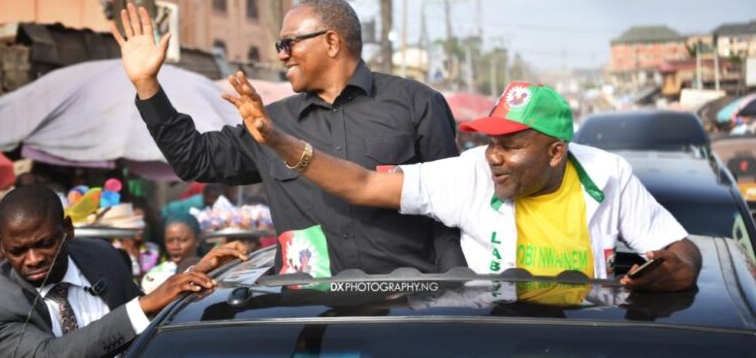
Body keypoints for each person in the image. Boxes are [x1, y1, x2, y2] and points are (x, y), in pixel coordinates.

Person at [223, 77, 702, 292]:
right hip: (489, 339)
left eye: (511, 146)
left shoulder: (608, 175)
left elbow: (681, 252)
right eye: (491, 142)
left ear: (557, 152)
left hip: (584, 340)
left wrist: (673, 273)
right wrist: (278, 141)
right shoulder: (469, 171)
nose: (494, 157)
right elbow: (364, 186)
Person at [113, 0, 466, 276]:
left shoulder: (417, 104)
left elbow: (449, 210)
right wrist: (147, 86)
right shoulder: (271, 123)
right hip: (306, 314)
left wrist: (455, 298)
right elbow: (194, 159)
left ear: (331, 42)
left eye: (289, 43)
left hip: (405, 306)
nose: (281, 55)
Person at [0, 184, 248, 358]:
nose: (32, 259)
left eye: (45, 244)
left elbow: (144, 323)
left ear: (67, 230)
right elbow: (51, 354)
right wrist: (143, 304)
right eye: (17, 251)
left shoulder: (102, 256)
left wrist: (191, 275)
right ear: (1, 246)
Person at [141, 214, 203, 293]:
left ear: (197, 240)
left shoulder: (211, 268)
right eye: (170, 241)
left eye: (183, 240)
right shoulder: (154, 276)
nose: (175, 246)